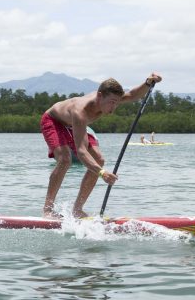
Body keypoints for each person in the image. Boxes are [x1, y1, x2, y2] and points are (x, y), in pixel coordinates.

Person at [41, 73, 162, 218]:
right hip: (54, 121)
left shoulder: (109, 97)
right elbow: (81, 152)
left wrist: (148, 83)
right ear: (99, 96)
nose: (114, 106)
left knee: (99, 159)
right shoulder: (80, 111)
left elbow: (131, 95)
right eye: (112, 102)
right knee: (65, 159)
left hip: (76, 125)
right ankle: (47, 209)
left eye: (117, 102)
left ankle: (77, 210)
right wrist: (102, 173)